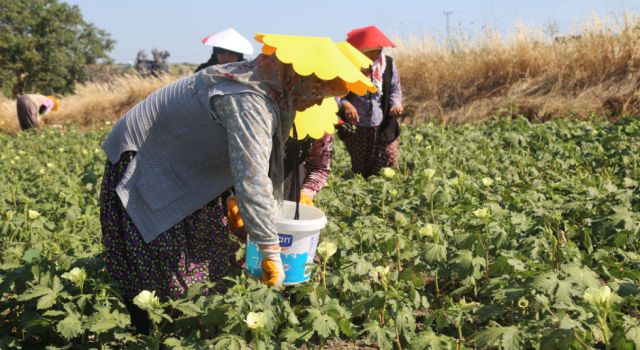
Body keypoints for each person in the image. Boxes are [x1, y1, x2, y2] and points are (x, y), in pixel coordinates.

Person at [99, 33, 375, 333]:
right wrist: (270, 250)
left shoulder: (275, 89)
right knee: (162, 272)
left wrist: (239, 202)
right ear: (298, 76)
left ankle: (195, 325)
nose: (318, 101)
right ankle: (160, 333)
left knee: (210, 256)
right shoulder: (247, 98)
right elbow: (253, 176)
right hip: (148, 160)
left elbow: (257, 161)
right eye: (319, 91)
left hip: (193, 165)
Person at [338, 25, 403, 178]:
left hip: (383, 124)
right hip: (357, 126)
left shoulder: (387, 64)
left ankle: (387, 196)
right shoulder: (349, 65)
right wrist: (346, 104)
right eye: (374, 50)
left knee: (389, 160)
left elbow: (394, 88)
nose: (378, 53)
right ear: (363, 49)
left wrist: (395, 105)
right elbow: (336, 92)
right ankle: (364, 198)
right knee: (361, 169)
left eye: (380, 50)